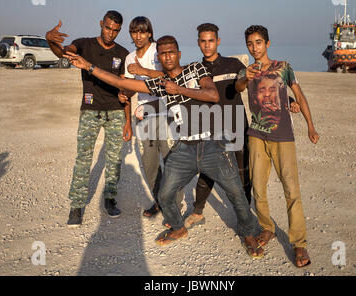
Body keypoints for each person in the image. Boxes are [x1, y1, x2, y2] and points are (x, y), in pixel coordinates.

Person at [65, 35, 265, 258]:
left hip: (212, 144)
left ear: (178, 54)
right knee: (165, 194)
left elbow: (212, 94)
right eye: (163, 53)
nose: (168, 56)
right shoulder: (159, 85)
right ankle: (179, 228)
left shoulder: (195, 69)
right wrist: (89, 67)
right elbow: (121, 83)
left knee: (236, 192)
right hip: (184, 148)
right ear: (159, 58)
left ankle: (248, 233)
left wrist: (179, 90)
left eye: (171, 52)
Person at [184, 23, 301, 229]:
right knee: (206, 173)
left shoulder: (233, 64)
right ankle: (197, 211)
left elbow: (262, 83)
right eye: (203, 41)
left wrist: (290, 101)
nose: (207, 45)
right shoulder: (194, 70)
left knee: (243, 172)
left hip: (236, 126)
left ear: (218, 41)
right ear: (198, 43)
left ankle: (244, 214)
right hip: (210, 129)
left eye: (211, 40)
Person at [236, 25, 320, 267]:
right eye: (250, 43)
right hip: (257, 135)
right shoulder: (247, 71)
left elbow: (298, 95)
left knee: (291, 191)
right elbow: (238, 88)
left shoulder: (284, 67)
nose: (254, 47)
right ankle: (267, 227)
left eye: (259, 42)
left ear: (268, 44)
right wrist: (245, 77)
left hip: (283, 136)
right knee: (259, 189)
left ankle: (299, 244)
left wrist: (310, 126)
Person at [45, 10, 132, 227]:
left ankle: (110, 199)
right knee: (83, 159)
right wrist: (50, 41)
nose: (111, 33)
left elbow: (125, 88)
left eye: (115, 30)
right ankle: (76, 205)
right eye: (108, 27)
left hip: (115, 113)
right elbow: (64, 53)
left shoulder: (123, 53)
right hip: (90, 111)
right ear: (101, 23)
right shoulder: (84, 44)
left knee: (114, 161)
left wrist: (128, 121)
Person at [120, 16, 183, 218]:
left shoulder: (160, 50)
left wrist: (143, 71)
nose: (138, 36)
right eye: (134, 32)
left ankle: (176, 204)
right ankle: (160, 201)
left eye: (142, 32)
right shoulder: (129, 58)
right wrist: (125, 93)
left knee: (171, 161)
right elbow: (130, 87)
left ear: (149, 33)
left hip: (166, 113)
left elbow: (170, 75)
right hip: (145, 115)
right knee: (149, 163)